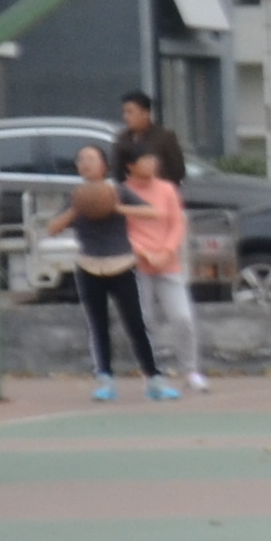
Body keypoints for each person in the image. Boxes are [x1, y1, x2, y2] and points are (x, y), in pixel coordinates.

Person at [61, 144, 163, 400]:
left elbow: (152, 212)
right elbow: (52, 227)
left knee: (135, 324)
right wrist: (76, 209)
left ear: (104, 165)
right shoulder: (76, 195)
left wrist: (117, 207)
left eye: (91, 158)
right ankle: (105, 378)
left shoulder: (117, 190)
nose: (85, 163)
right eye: (81, 159)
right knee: (98, 325)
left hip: (121, 264)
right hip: (89, 266)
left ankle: (153, 378)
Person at [123, 143, 204, 394]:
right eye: (145, 160)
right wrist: (144, 253)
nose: (152, 164)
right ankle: (151, 374)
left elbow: (177, 224)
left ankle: (190, 371)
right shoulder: (123, 192)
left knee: (182, 318)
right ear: (131, 166)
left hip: (169, 265)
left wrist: (166, 252)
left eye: (153, 159)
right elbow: (121, 230)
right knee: (145, 321)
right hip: (137, 266)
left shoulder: (167, 189)